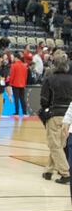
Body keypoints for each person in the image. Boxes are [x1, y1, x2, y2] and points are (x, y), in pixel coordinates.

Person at [41, 54, 72, 184]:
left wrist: (45, 111)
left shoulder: (50, 79)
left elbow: (44, 100)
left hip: (55, 114)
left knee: (54, 145)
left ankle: (65, 173)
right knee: (59, 144)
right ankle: (49, 171)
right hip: (69, 116)